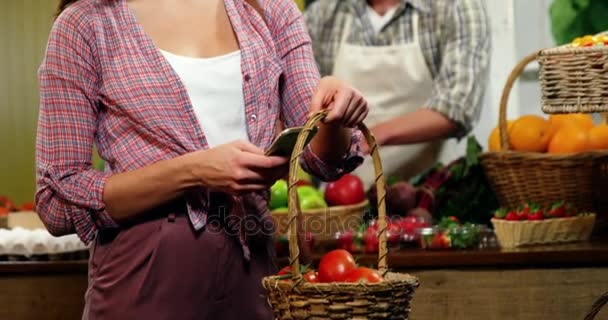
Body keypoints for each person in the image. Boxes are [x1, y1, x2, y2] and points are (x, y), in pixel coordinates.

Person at [35, 0, 368, 319]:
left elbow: (319, 158)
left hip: (253, 270)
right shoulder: (85, 24)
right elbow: (59, 198)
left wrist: (334, 115)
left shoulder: (271, 10)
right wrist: (193, 171)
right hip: (143, 278)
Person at [305, 0, 491, 189]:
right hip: (342, 200)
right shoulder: (323, 13)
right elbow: (306, 109)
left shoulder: (456, 7)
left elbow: (458, 105)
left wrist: (375, 136)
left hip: (425, 193)